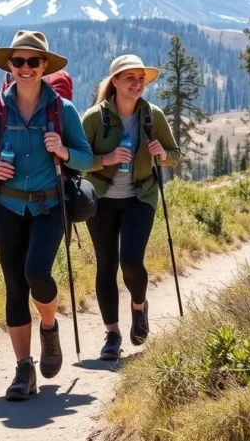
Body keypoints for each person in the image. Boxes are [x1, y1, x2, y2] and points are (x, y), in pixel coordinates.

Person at [0, 30, 93, 400]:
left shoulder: (63, 111)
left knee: (36, 271)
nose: (25, 68)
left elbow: (87, 158)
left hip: (48, 206)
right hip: (7, 206)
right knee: (15, 288)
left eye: (33, 61)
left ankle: (49, 324)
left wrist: (63, 151)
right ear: (9, 66)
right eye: (18, 61)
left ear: (44, 66)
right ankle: (23, 369)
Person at [80, 54, 180, 360]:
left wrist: (162, 155)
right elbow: (78, 161)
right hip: (102, 199)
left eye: (141, 79)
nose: (137, 84)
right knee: (106, 265)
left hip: (141, 196)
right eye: (130, 78)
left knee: (132, 262)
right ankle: (112, 335)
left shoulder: (153, 115)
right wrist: (105, 160)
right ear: (115, 83)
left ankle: (139, 306)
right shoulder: (94, 118)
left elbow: (174, 154)